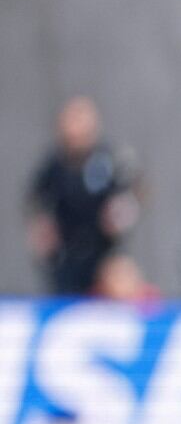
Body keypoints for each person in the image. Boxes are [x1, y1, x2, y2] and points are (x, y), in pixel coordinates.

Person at [25, 96, 144, 296]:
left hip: (105, 252)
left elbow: (137, 188)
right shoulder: (53, 166)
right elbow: (34, 200)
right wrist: (42, 226)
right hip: (66, 255)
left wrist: (123, 211)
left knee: (121, 280)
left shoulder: (110, 159)